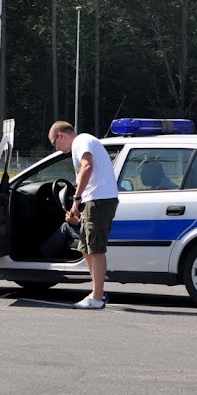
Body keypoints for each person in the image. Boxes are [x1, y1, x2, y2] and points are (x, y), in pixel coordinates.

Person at [48, 121, 119, 309]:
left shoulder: (82, 141)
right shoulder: (83, 142)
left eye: (54, 143)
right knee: (85, 247)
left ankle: (97, 297)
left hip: (99, 200)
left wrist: (77, 198)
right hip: (93, 199)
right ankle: (98, 292)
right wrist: (78, 203)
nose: (57, 148)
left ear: (61, 135)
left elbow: (87, 166)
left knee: (95, 249)